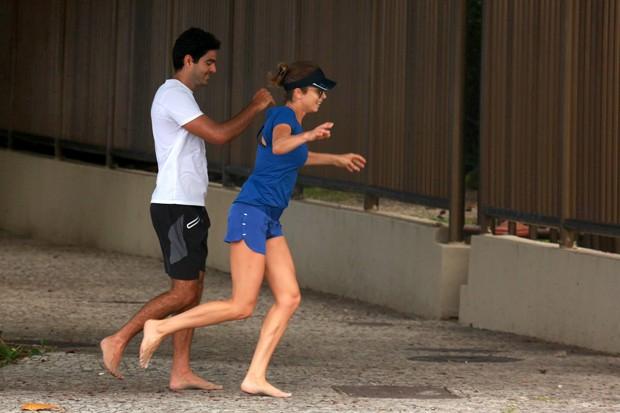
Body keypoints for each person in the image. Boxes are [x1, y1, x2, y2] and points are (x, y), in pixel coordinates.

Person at [138, 61, 366, 398]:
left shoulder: (293, 123)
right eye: (318, 91)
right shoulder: (283, 118)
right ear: (298, 92)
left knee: (288, 297)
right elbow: (280, 146)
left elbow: (293, 155)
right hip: (252, 214)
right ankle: (161, 325)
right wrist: (308, 135)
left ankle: (255, 376)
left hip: (268, 218)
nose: (322, 97)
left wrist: (336, 158)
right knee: (241, 305)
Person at [99, 27, 274, 391]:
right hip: (176, 206)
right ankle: (118, 338)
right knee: (183, 293)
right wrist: (256, 106)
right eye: (209, 62)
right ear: (189, 59)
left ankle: (181, 370)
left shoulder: (182, 96)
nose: (213, 69)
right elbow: (220, 134)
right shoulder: (173, 94)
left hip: (187, 204)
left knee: (192, 291)